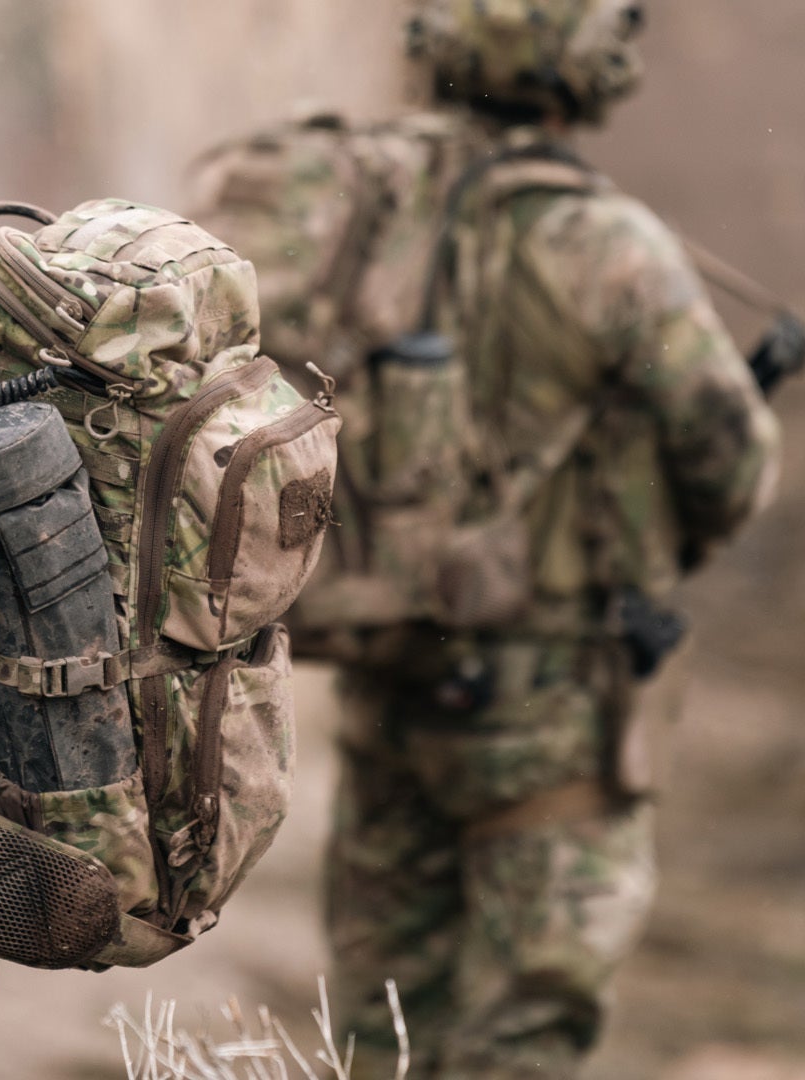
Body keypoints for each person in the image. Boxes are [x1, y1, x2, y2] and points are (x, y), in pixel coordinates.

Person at [189, 1, 781, 1075]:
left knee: (381, 1021)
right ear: (590, 59)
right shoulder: (605, 242)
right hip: (552, 697)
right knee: (524, 1028)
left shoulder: (355, 197)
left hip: (388, 668)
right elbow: (730, 468)